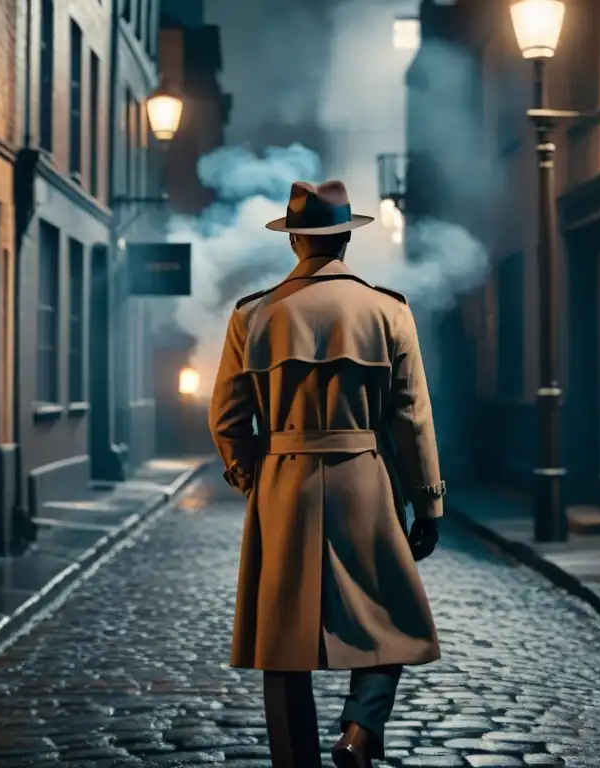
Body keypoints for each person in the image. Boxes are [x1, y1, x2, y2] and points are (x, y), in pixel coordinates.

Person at [208, 179, 445, 768]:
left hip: (282, 482)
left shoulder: (253, 315)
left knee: (282, 633)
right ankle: (361, 730)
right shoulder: (387, 309)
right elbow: (411, 417)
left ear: (294, 242)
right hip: (363, 477)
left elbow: (228, 417)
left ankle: (295, 761)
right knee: (390, 613)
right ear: (344, 237)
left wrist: (251, 479)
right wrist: (427, 502)